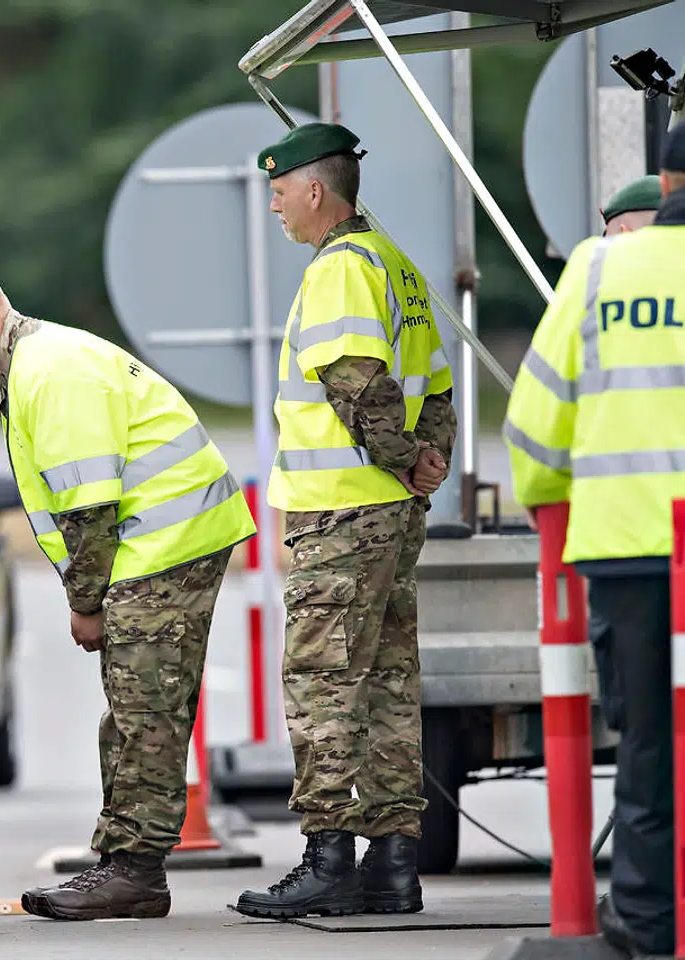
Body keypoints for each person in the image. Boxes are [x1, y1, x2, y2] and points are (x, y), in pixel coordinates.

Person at [0, 258, 256, 921]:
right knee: (132, 711)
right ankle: (124, 865)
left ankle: (134, 874)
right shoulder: (38, 362)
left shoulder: (49, 372)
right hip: (155, 544)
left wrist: (85, 604)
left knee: (145, 714)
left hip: (163, 544)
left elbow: (88, 509)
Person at [502, 116, 685, 957]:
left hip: (621, 547)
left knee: (647, 737)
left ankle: (646, 920)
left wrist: (549, 500)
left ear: (667, 184)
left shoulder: (596, 268)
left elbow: (535, 421)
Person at [232, 122, 457, 921]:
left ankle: (327, 858)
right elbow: (437, 387)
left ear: (315, 190)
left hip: (342, 511)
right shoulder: (395, 265)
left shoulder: (339, 269)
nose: (273, 206)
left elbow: (356, 382)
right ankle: (393, 865)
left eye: (279, 192)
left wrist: (400, 457)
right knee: (389, 681)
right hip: (390, 510)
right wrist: (427, 460)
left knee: (323, 679)